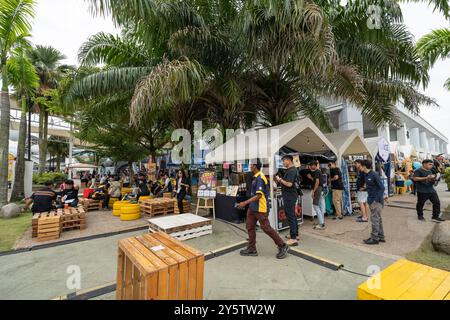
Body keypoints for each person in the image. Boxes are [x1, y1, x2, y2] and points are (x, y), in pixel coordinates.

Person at [237, 159, 289, 259]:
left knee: (266, 228)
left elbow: (258, 196)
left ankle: (282, 245)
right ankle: (252, 248)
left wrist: (244, 203)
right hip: (253, 208)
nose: (249, 166)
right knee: (250, 226)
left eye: (251, 165)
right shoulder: (255, 177)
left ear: (255, 166)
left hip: (260, 208)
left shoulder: (260, 178)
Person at [275, 155, 299, 246]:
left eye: (284, 161)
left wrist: (280, 179)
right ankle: (295, 235)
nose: (283, 163)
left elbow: (289, 184)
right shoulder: (291, 170)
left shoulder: (292, 170)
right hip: (289, 195)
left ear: (289, 160)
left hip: (290, 196)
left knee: (291, 216)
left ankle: (293, 238)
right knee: (292, 215)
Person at [361, 160, 386, 245]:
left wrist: (375, 200)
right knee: (378, 219)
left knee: (375, 219)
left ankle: (375, 238)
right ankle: (381, 237)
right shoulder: (366, 175)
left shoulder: (374, 174)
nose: (359, 167)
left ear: (364, 166)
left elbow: (382, 188)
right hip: (372, 200)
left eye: (360, 166)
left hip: (376, 201)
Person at [307, 161, 325, 230]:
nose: (310, 167)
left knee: (315, 206)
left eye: (311, 166)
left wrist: (313, 191)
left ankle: (321, 224)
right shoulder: (318, 172)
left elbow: (317, 182)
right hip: (321, 190)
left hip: (318, 189)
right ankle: (321, 221)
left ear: (314, 165)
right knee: (320, 206)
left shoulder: (317, 172)